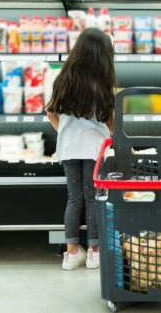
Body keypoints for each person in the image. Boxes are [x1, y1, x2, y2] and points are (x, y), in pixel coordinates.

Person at [46, 27, 116, 271]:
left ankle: (71, 253)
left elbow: (51, 112)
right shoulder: (102, 84)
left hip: (69, 149)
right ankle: (95, 252)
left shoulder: (63, 80)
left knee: (74, 199)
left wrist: (64, 135)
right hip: (94, 150)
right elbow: (110, 121)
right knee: (94, 198)